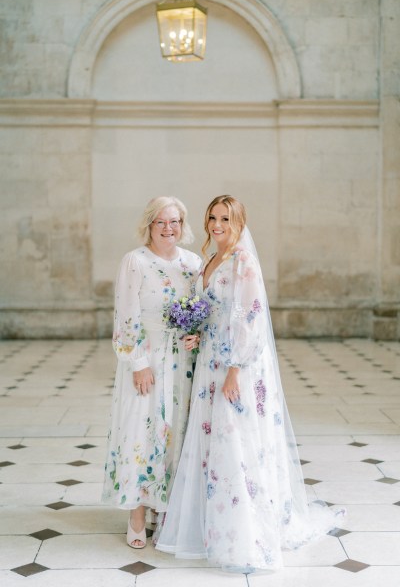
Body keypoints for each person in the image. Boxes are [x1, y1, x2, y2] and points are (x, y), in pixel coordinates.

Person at [156, 195, 345, 572]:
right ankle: (212, 526)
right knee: (213, 439)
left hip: (235, 365)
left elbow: (252, 320)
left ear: (240, 222)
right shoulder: (210, 260)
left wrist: (235, 370)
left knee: (236, 439)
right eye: (212, 217)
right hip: (210, 360)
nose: (217, 225)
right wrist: (195, 334)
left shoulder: (244, 263)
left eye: (226, 218)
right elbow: (213, 313)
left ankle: (244, 532)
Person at [102, 196, 201, 549]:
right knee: (141, 430)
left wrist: (196, 334)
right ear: (149, 225)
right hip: (147, 359)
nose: (168, 228)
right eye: (161, 222)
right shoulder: (135, 262)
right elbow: (125, 316)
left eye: (174, 221)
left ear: (182, 224)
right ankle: (138, 513)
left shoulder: (193, 262)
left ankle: (166, 507)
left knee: (176, 431)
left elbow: (202, 310)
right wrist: (138, 363)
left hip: (183, 364)